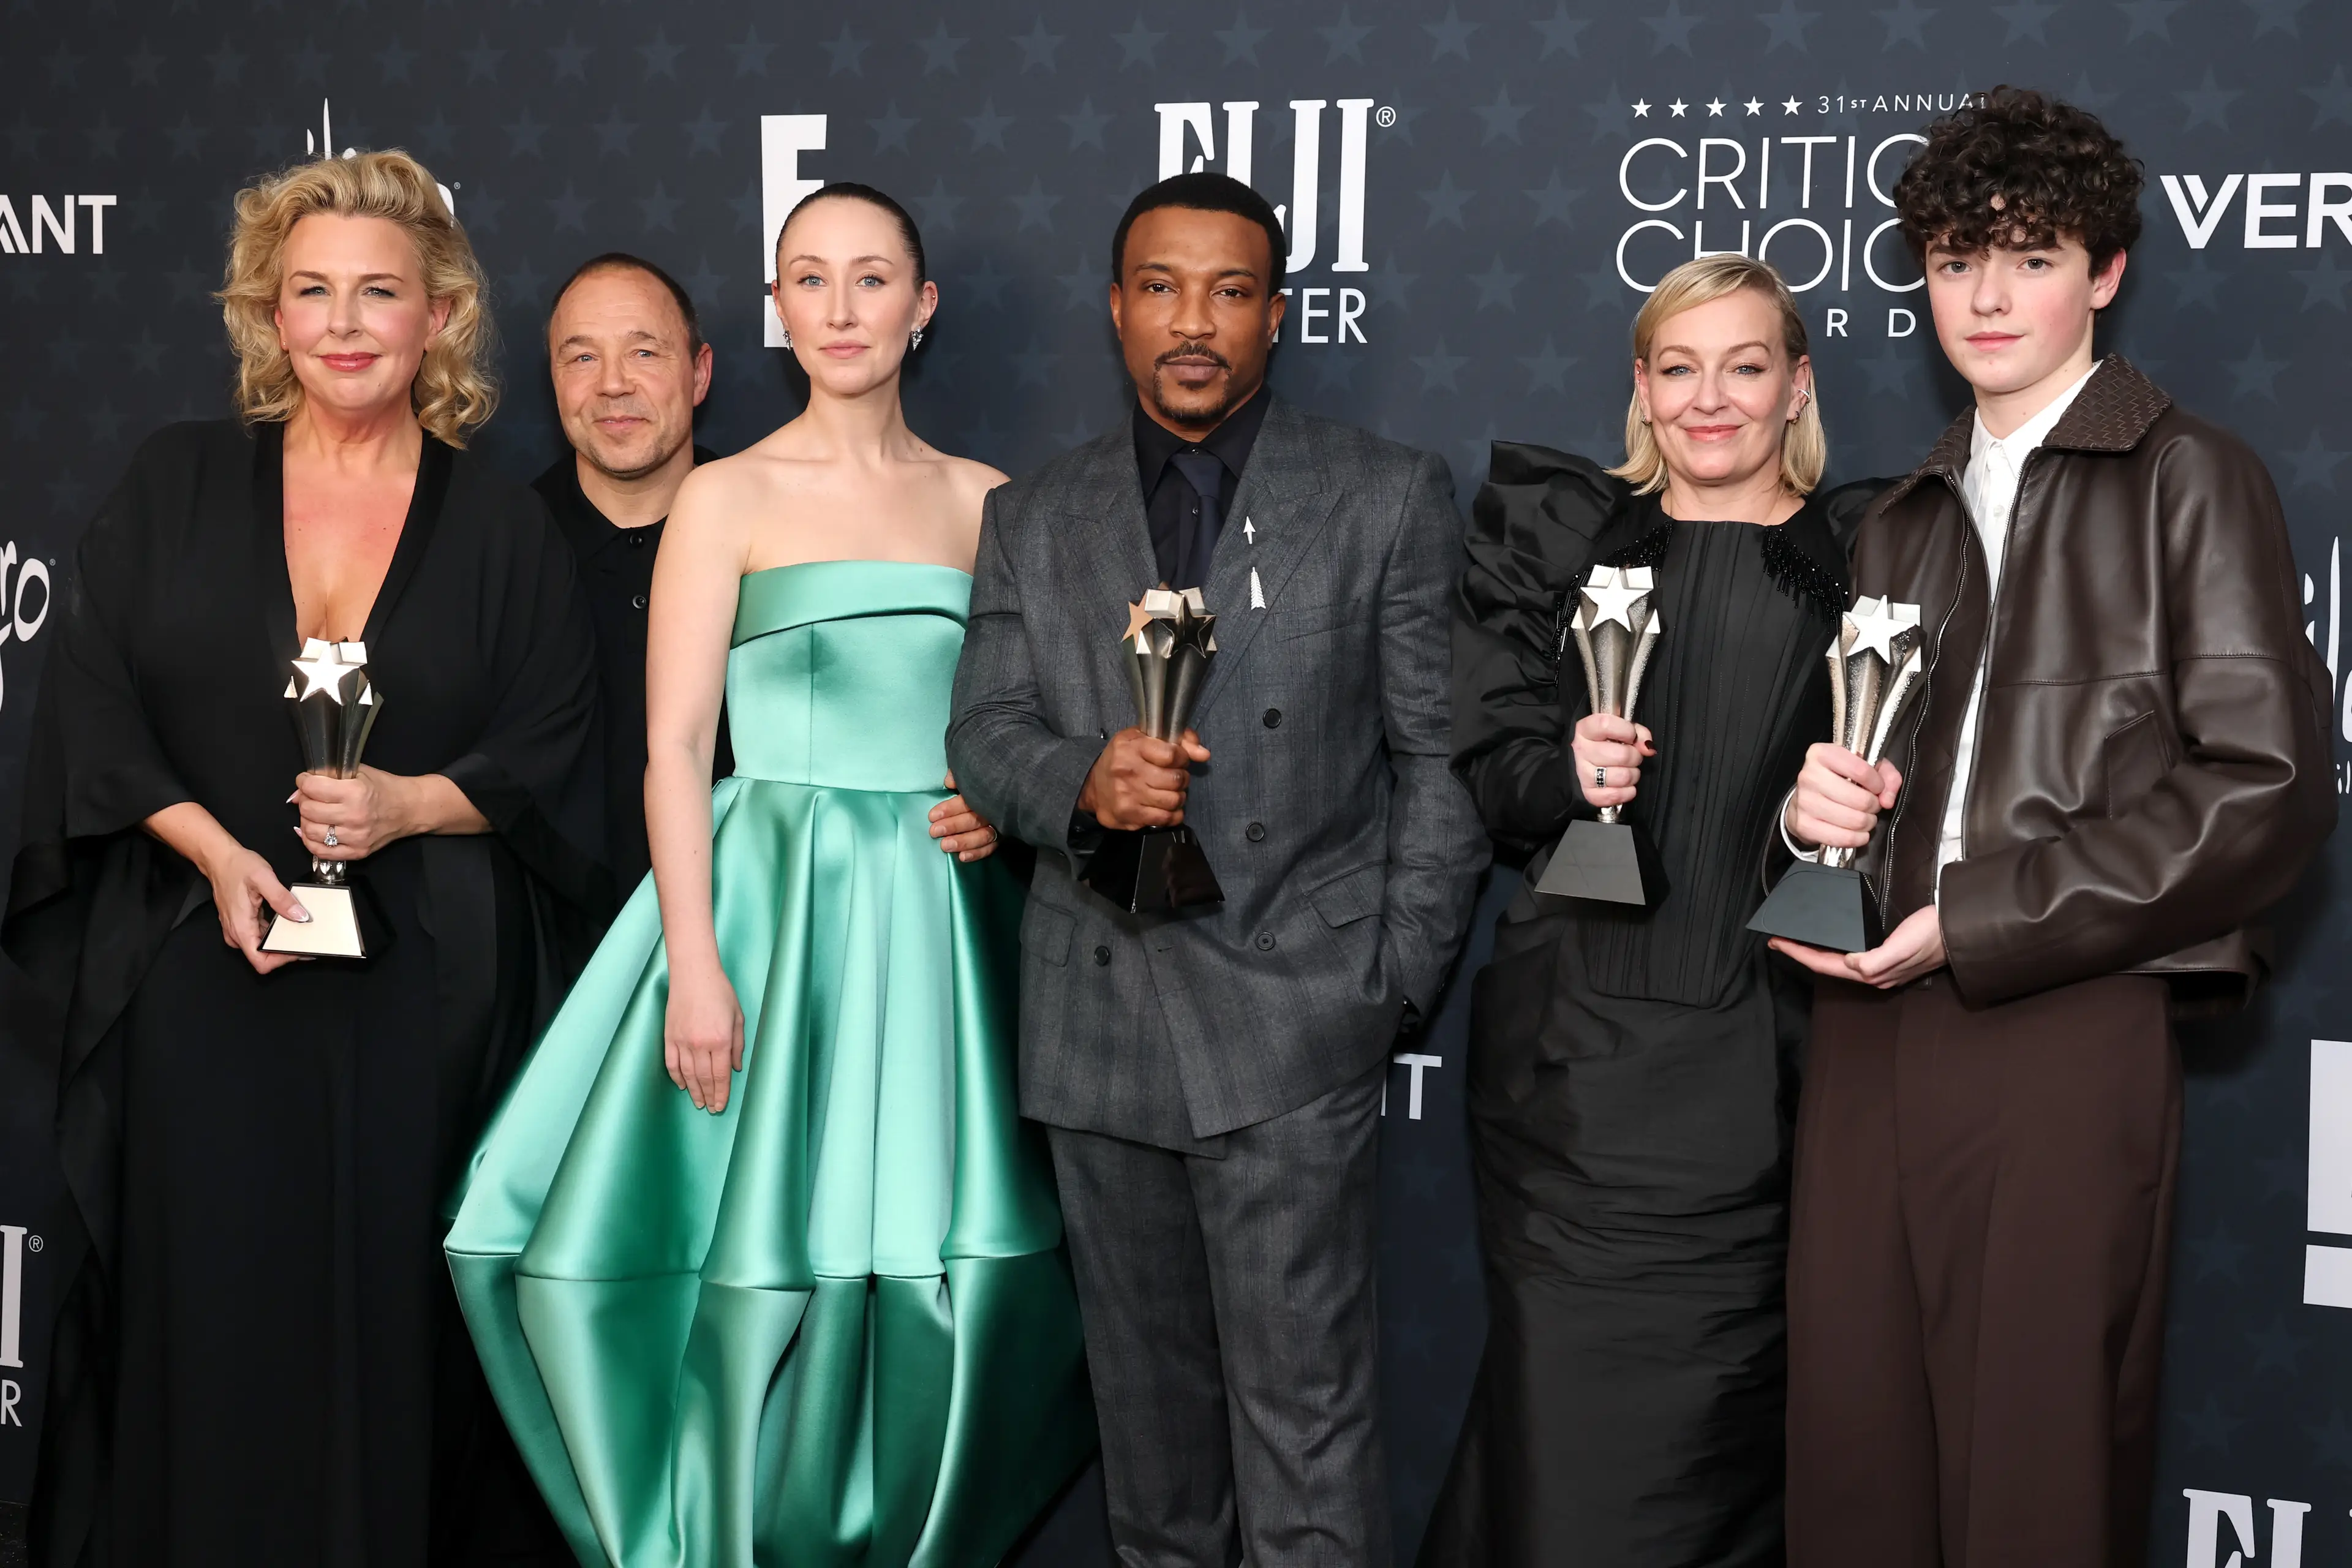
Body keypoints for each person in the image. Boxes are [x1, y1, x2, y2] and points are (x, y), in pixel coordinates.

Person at [444, 182, 1095, 1567]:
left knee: (940, 1260)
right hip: (771, 904)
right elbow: (675, 746)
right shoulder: (726, 494)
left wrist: (997, 800)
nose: (842, 306)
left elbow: (1021, 731)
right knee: (751, 1254)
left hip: (933, 921)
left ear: (920, 309)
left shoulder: (990, 501)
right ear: (777, 308)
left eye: (872, 279)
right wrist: (695, 959)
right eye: (812, 277)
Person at [5, 150, 601, 1565]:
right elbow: (89, 697)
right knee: (204, 1310)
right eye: (311, 292)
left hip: (418, 1001)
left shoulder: (506, 525)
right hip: (206, 981)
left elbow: (553, 748)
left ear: (441, 317)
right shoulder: (176, 481)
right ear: (267, 319)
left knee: (391, 1324)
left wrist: (409, 804)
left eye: (379, 292)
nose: (344, 323)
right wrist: (211, 848)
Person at [1770, 89, 2334, 1566]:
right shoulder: (1895, 513)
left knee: (2032, 1474)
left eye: (2025, 255)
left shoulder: (2189, 475)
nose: (1985, 294)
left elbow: (2266, 780)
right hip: (1862, 1018)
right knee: (1851, 1461)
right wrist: (1811, 809)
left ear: (2102, 270)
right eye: (1954, 258)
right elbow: (1871, 764)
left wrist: (1981, 912)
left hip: (2067, 1009)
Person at [946, 172, 1488, 1567]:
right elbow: (986, 731)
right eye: (1164, 288)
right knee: (1153, 1452)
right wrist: (1083, 780)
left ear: (1276, 314)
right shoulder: (1034, 514)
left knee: (1305, 1433)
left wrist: (1384, 984)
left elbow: (1441, 761)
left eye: (1231, 291)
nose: (1196, 322)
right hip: (1098, 1020)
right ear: (1117, 307)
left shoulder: (1380, 496)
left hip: (1292, 1019)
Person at [1423, 254, 1882, 1567]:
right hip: (1572, 1082)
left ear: (1798, 384)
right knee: (1560, 1431)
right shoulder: (1558, 538)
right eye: (1679, 368)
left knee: (1723, 1442)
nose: (1711, 399)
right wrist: (1561, 771)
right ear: (1640, 385)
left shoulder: (1866, 554)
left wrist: (1839, 814)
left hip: (1772, 1075)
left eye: (1746, 367)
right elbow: (1490, 762)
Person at [537, 252, 730, 900]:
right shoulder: (500, 549)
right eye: (582, 358)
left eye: (645, 353)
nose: (613, 384)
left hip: (748, 930)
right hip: (551, 962)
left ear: (698, 374)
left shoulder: (779, 538)